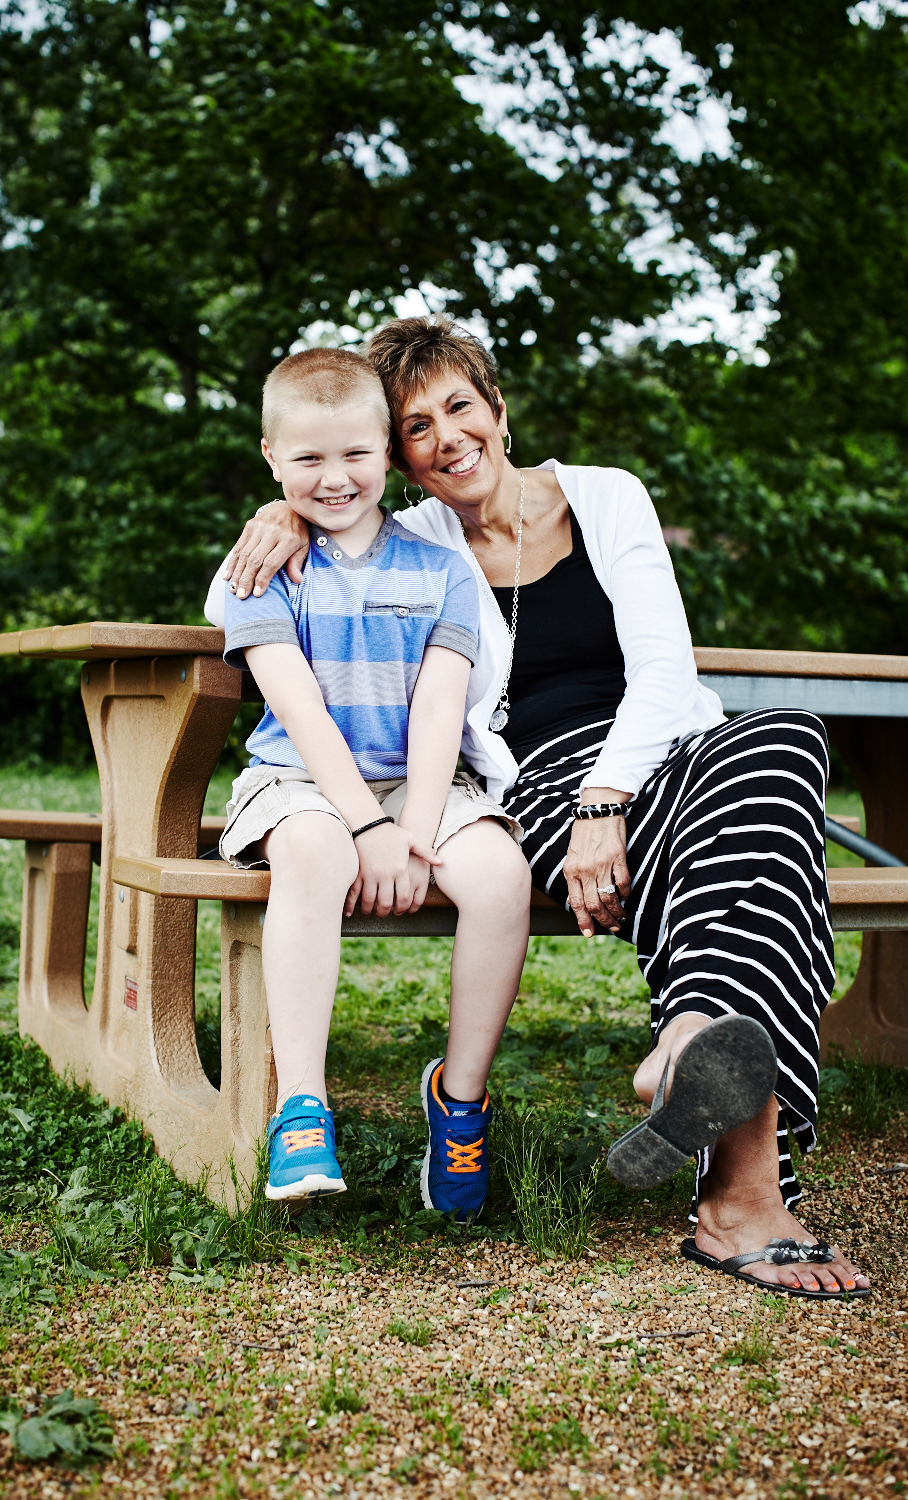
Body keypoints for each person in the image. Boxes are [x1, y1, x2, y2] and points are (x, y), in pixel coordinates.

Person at [213, 316, 870, 1300]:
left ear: (498, 409)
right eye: (416, 427)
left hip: (665, 750)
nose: (445, 438)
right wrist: (277, 514)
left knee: (780, 738)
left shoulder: (606, 496)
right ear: (398, 454)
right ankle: (743, 1197)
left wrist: (613, 794)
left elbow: (663, 671)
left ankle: (696, 1032)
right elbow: (326, 491)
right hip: (542, 780)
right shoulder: (418, 540)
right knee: (760, 865)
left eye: (459, 408)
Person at [205, 346, 531, 1218]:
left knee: (501, 875)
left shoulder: (442, 570)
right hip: (301, 782)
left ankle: (460, 1103)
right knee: (312, 851)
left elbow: (439, 708)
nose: (335, 476)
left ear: (389, 452)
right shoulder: (266, 569)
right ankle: (300, 1105)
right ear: (272, 460)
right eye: (307, 458)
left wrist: (415, 828)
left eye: (356, 453)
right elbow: (299, 708)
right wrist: (367, 828)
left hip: (415, 785)